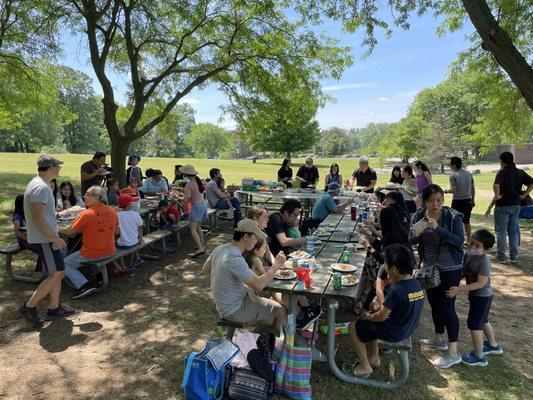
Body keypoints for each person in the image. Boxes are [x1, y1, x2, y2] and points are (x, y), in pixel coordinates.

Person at [347, 244, 424, 377]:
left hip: (396, 332)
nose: (385, 269)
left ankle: (365, 367)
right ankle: (374, 358)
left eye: (386, 265)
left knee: (354, 326)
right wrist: (376, 310)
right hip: (407, 327)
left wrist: (367, 317)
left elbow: (381, 317)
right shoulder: (415, 284)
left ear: (394, 268)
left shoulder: (397, 289)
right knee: (374, 310)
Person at [410, 184, 465, 369]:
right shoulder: (419, 216)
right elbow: (412, 241)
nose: (436, 204)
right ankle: (439, 338)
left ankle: (453, 352)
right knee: (434, 303)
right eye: (431, 201)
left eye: (439, 200)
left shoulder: (452, 216)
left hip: (450, 268)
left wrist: (439, 229)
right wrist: (414, 235)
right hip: (429, 267)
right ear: (425, 201)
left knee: (448, 306)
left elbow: (459, 242)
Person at [202, 219, 287, 335]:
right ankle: (284, 348)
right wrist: (276, 265)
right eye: (255, 237)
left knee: (270, 297)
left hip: (229, 304)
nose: (257, 241)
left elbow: (206, 270)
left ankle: (273, 335)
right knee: (280, 310)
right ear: (246, 237)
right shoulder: (234, 257)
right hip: (234, 309)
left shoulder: (221, 248)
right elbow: (258, 286)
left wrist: (225, 284)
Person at [20, 155, 74, 327]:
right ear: (51, 167)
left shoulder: (40, 184)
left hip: (46, 236)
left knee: (56, 272)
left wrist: (57, 216)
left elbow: (42, 213)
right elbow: (37, 215)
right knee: (58, 273)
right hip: (45, 238)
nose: (59, 169)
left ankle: (54, 307)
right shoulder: (41, 187)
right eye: (58, 166)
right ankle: (29, 306)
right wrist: (54, 237)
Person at [445, 229, 503, 367]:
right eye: (472, 243)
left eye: (477, 246)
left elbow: (480, 283)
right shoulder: (468, 256)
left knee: (474, 325)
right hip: (475, 296)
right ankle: (493, 346)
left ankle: (479, 356)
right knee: (483, 320)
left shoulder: (484, 262)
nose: (473, 247)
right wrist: (456, 280)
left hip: (483, 297)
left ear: (486, 249)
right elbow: (464, 273)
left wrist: (459, 289)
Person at [60, 186, 119, 299]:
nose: (84, 196)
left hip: (92, 253)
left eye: (87, 194)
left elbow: (69, 232)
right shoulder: (112, 211)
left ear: (96, 197)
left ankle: (84, 285)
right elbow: (116, 230)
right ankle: (99, 276)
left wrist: (56, 228)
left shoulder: (86, 214)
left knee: (64, 263)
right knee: (91, 249)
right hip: (110, 250)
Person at [490, 151, 533, 262]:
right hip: (516, 204)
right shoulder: (520, 172)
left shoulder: (502, 173)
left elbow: (495, 185)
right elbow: (531, 183)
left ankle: (501, 256)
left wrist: (497, 195)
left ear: (502, 161)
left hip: (503, 205)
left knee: (502, 231)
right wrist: (524, 195)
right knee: (513, 231)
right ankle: (514, 256)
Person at [445, 157, 475, 245]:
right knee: (466, 221)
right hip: (468, 200)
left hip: (457, 201)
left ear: (454, 165)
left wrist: (445, 191)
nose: (449, 166)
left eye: (450, 164)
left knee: (456, 221)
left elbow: (454, 189)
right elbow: (473, 188)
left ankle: (458, 240)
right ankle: (469, 240)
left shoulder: (453, 175)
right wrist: (473, 200)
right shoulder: (468, 174)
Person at [180, 165, 208, 258]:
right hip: (203, 204)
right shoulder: (197, 181)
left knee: (192, 229)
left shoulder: (189, 184)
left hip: (196, 206)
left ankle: (200, 248)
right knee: (198, 227)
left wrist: (184, 209)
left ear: (186, 174)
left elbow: (186, 198)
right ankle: (202, 245)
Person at [13, 194, 43, 273]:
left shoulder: (28, 214)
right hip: (23, 240)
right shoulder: (17, 217)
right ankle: (38, 271)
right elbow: (18, 232)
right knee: (42, 249)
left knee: (45, 246)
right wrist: (28, 239)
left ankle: (44, 269)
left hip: (32, 238)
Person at [116, 194, 144, 269]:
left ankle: (123, 266)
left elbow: (117, 232)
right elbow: (140, 229)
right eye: (131, 202)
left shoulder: (117, 215)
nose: (133, 203)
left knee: (116, 244)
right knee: (131, 242)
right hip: (135, 241)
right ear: (128, 205)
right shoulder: (135, 214)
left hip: (124, 244)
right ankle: (131, 262)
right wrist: (141, 240)